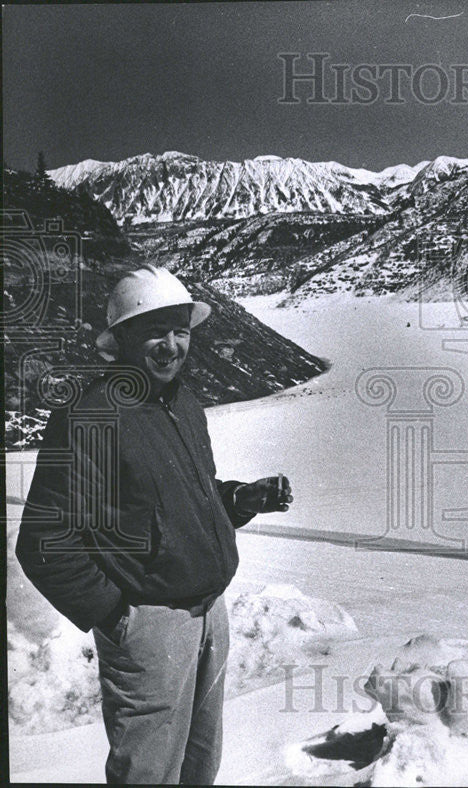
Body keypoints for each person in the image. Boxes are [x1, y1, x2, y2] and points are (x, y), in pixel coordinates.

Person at [16, 265, 293, 784]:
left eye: (180, 330)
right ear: (121, 338)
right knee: (147, 772)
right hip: (150, 624)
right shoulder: (90, 416)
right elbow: (44, 542)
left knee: (198, 762)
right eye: (153, 331)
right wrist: (118, 615)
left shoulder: (183, 404)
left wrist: (237, 499)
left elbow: (175, 504)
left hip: (211, 613)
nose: (171, 345)